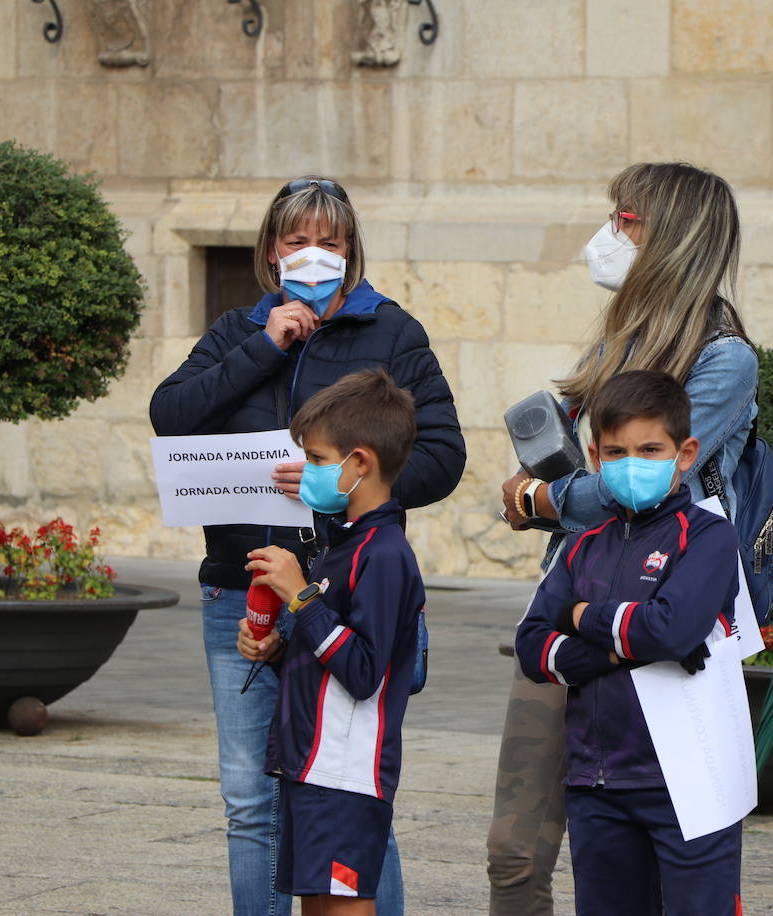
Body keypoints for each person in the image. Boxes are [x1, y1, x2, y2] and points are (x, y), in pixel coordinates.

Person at [149, 176, 465, 916]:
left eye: (330, 240)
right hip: (243, 592)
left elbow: (443, 456)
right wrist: (266, 346)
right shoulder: (238, 330)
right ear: (271, 250)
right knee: (251, 802)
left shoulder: (392, 333)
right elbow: (172, 414)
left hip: (349, 594)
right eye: (298, 239)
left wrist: (347, 481)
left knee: (351, 793)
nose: (314, 253)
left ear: (351, 251)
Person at [488, 162, 759, 915]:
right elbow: (599, 488)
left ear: (668, 236)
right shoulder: (620, 339)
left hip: (662, 627)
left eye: (625, 218)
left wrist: (546, 497)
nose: (608, 234)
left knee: (669, 859)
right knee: (516, 847)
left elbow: (628, 489)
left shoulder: (722, 357)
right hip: (578, 586)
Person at [514, 369, 744, 916]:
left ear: (685, 453)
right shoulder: (580, 545)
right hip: (596, 784)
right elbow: (531, 646)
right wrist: (623, 645)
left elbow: (669, 630)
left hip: (690, 783)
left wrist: (578, 615)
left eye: (649, 449)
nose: (631, 463)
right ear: (594, 456)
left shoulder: (709, 534)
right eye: (615, 452)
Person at [237, 368, 424, 915]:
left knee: (344, 906)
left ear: (360, 463)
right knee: (317, 906)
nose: (308, 472)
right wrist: (274, 651)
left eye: (317, 460)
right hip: (311, 764)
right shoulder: (341, 544)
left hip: (344, 770)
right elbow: (326, 662)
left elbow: (365, 672)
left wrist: (302, 599)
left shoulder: (385, 553)